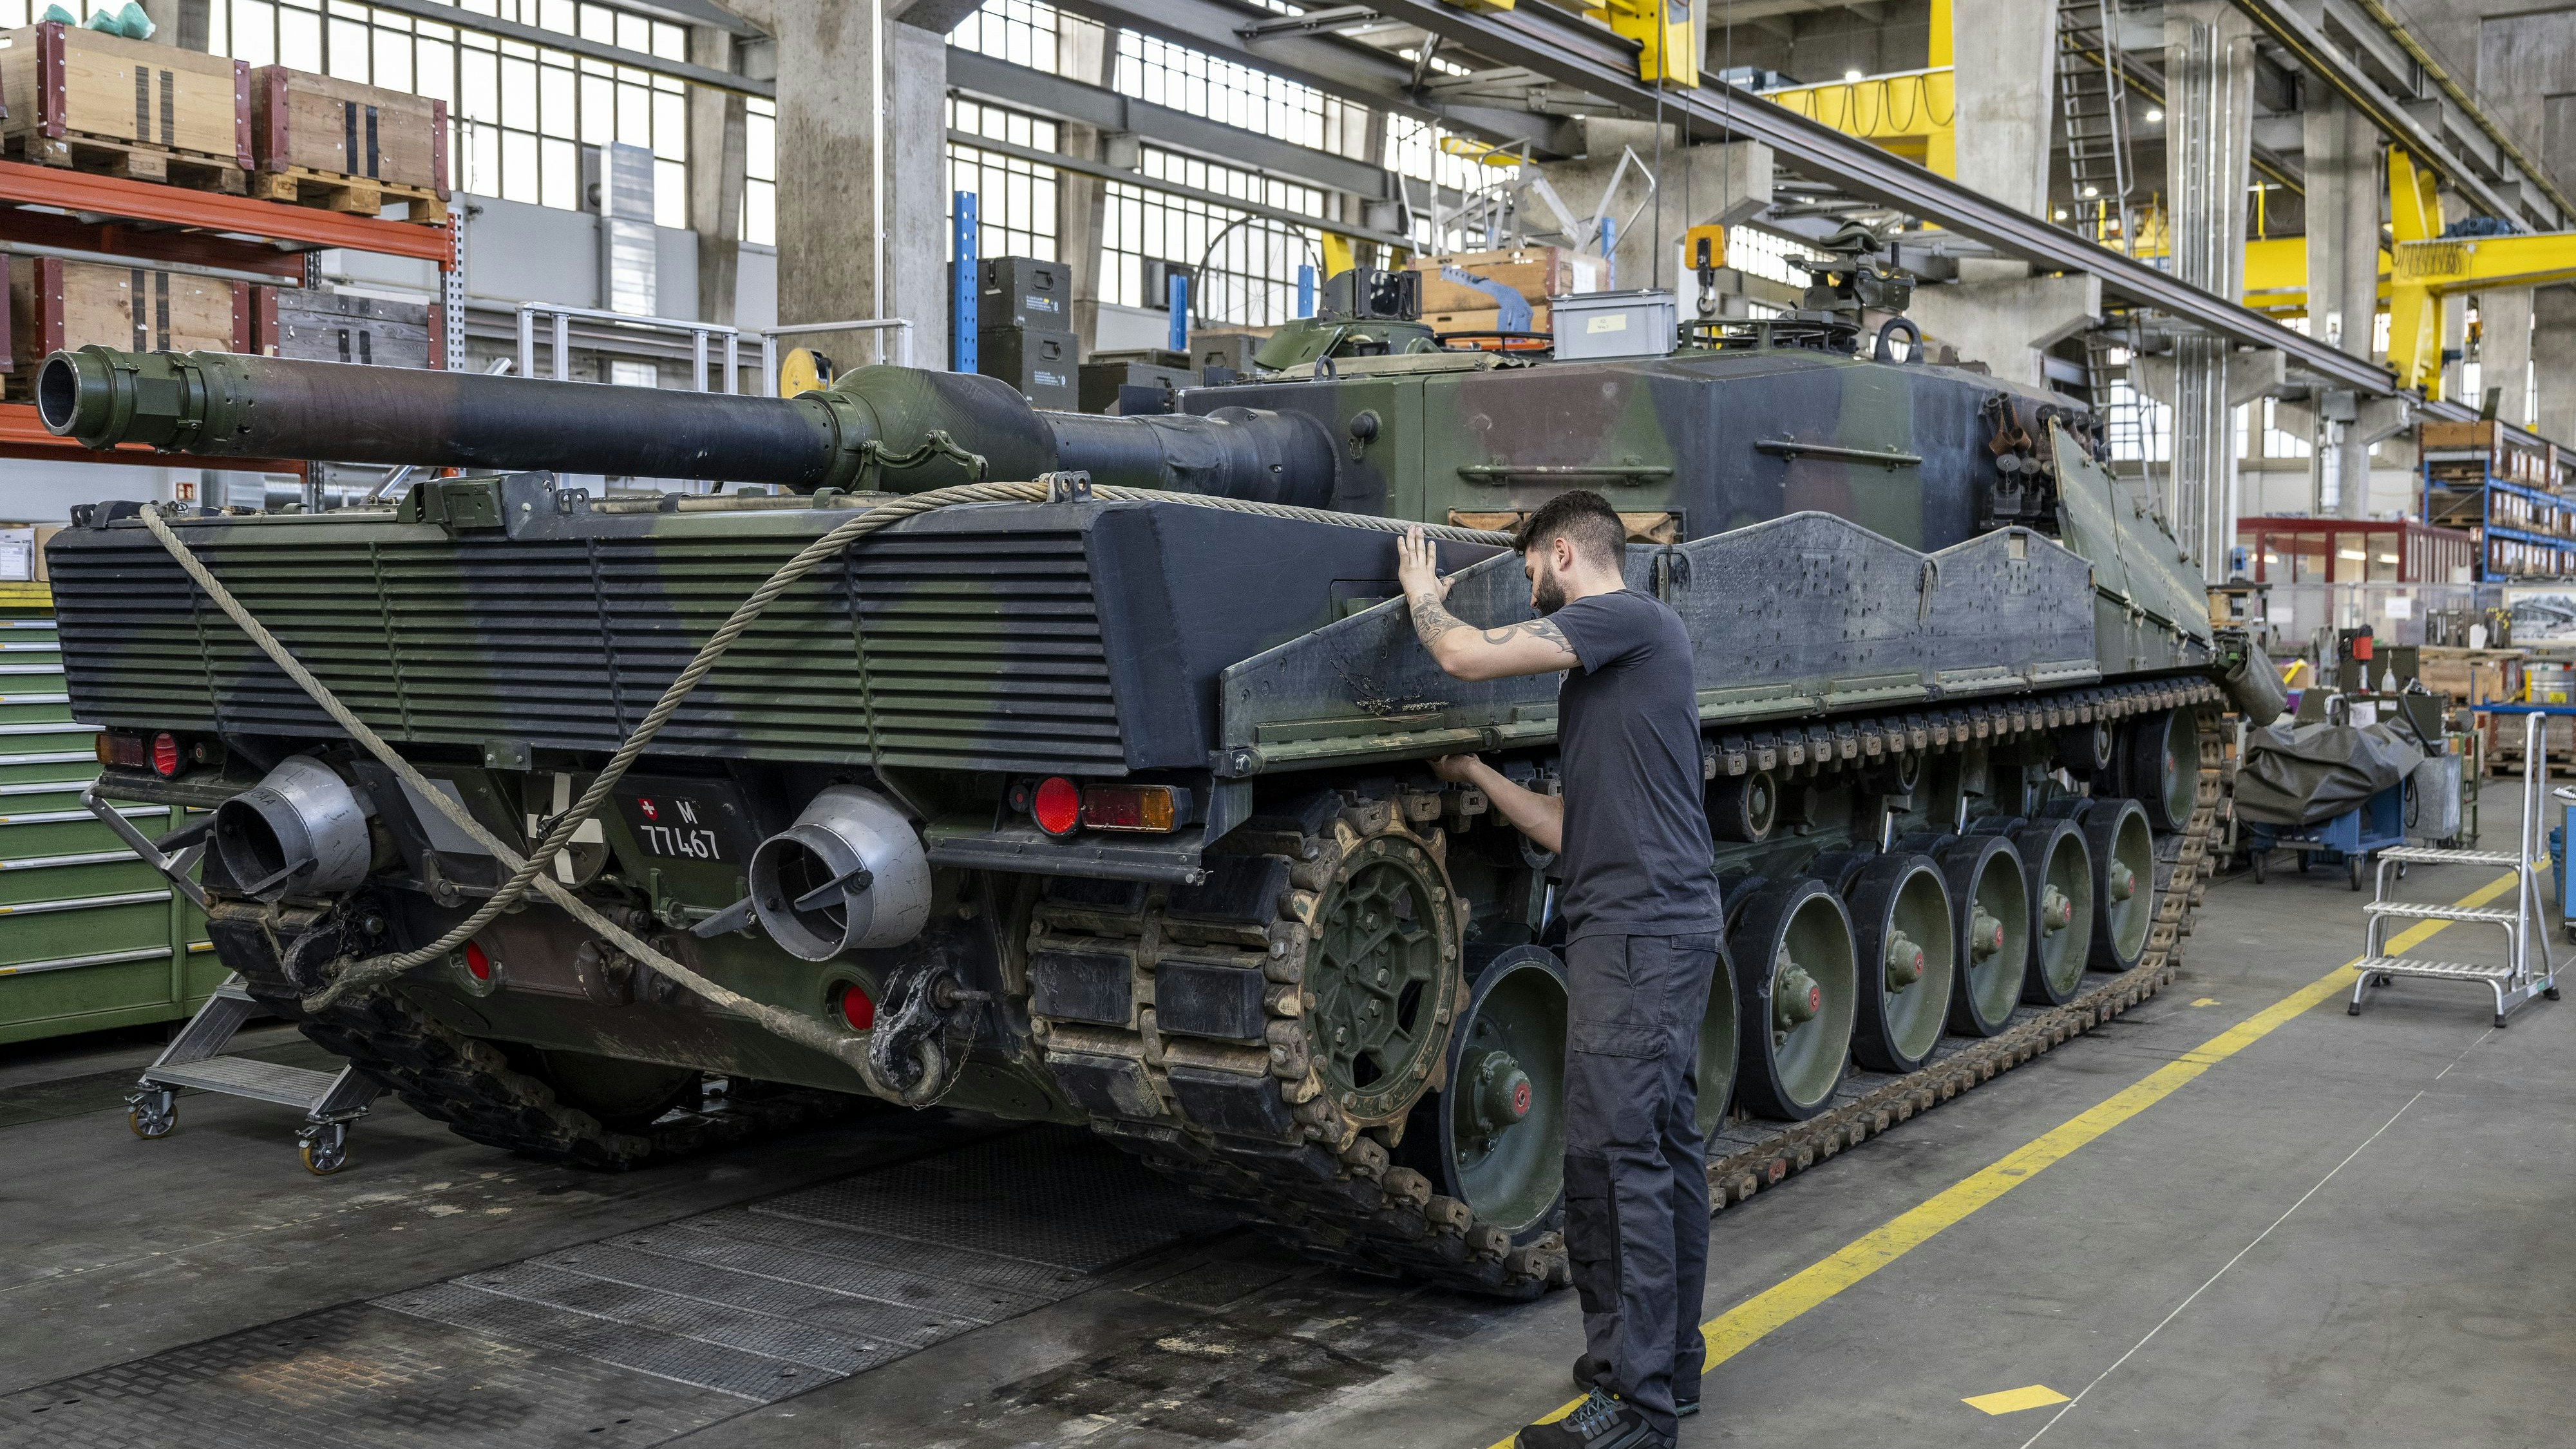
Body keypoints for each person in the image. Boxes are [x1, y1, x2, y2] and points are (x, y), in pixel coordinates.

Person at [1395, 490, 1721, 1449]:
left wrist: (1423, 592)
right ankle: (1671, 1366)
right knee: (1661, 1152)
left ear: (1565, 553)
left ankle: (1636, 1404)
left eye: (1532, 562)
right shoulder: (1615, 673)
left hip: (1640, 934)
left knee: (1613, 1159)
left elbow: (1464, 653)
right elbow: (1568, 827)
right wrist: (1479, 776)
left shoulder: (1623, 616)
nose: (1529, 578)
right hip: (1650, 923)